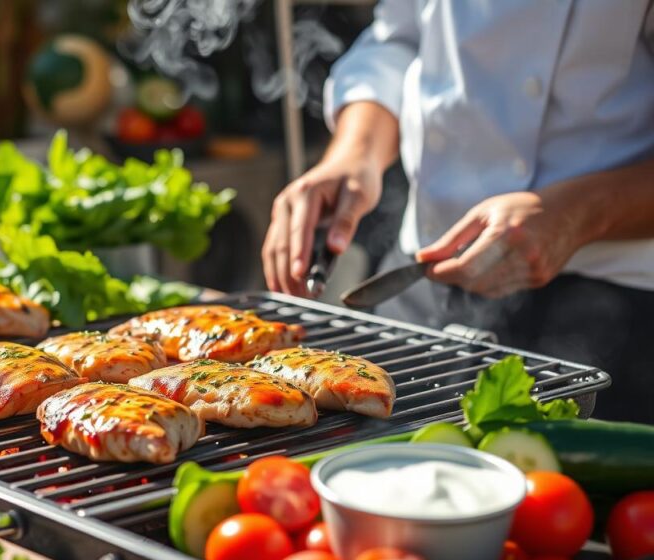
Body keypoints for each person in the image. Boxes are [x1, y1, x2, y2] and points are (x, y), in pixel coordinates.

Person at [263, 1, 654, 423]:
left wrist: (579, 214)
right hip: (420, 289)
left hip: (615, 312)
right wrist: (355, 155)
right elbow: (398, 41)